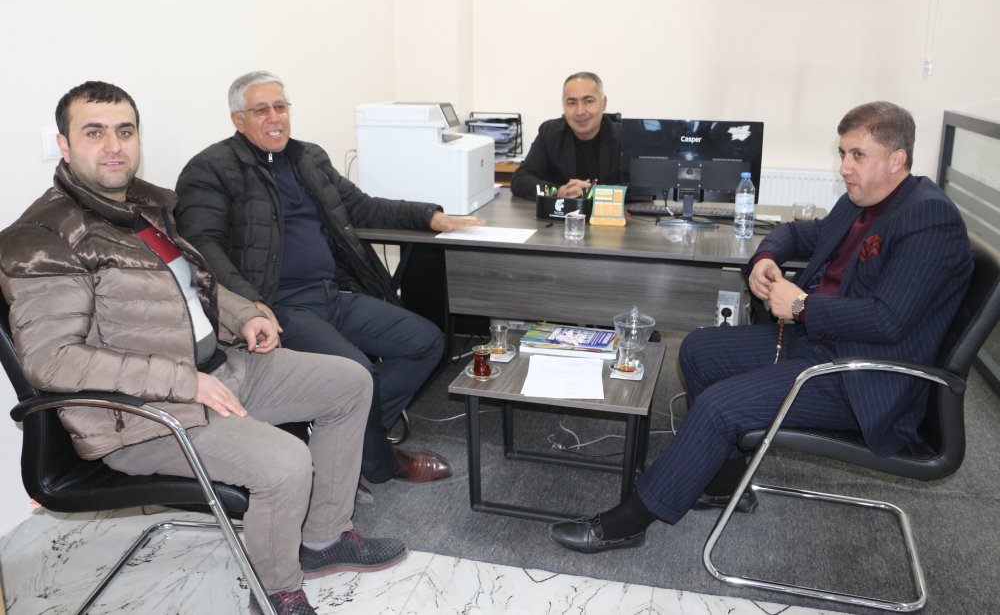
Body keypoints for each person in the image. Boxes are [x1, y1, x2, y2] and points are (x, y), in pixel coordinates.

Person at [0, 81, 406, 615]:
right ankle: (277, 593)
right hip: (141, 416)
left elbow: (196, 285)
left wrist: (245, 315)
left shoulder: (147, 207)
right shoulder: (42, 238)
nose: (114, 146)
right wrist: (186, 382)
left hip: (219, 369)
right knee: (287, 462)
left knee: (349, 382)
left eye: (125, 131)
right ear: (64, 144)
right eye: (94, 133)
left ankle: (325, 540)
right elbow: (52, 360)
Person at [549, 101, 974, 553]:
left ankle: (630, 521)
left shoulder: (928, 218)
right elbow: (797, 233)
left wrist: (803, 305)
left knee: (718, 407)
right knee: (698, 349)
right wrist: (766, 257)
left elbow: (889, 320)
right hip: (822, 344)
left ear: (896, 160)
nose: (844, 167)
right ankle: (726, 484)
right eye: (842, 153)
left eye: (857, 155)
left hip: (863, 377)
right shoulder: (862, 202)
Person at [174, 71, 483, 493]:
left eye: (280, 106)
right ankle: (378, 462)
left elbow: (360, 206)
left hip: (330, 295)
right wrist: (247, 303)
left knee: (427, 342)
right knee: (357, 372)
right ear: (237, 119)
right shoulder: (211, 169)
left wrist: (431, 217)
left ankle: (344, 438)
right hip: (278, 307)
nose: (274, 117)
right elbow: (202, 246)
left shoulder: (308, 158)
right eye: (261, 110)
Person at [509, 71, 622, 200]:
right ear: (564, 106)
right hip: (562, 212)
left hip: (609, 213)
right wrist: (557, 192)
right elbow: (520, 180)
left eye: (589, 101)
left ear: (603, 103)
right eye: (571, 103)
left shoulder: (623, 137)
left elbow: (637, 189)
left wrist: (594, 193)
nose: (580, 111)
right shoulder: (550, 133)